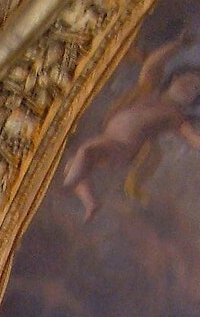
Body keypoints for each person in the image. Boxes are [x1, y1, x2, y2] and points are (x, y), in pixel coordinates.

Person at [61, 34, 200, 220]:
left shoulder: (175, 116)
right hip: (109, 137)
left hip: (124, 147)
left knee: (86, 151)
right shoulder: (148, 88)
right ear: (175, 77)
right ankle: (90, 201)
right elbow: (153, 64)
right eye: (190, 81)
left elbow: (194, 139)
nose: (190, 88)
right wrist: (178, 43)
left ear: (192, 102)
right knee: (74, 162)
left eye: (196, 91)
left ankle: (68, 187)